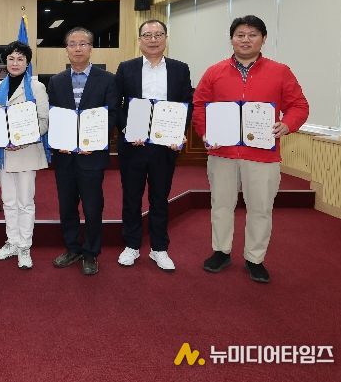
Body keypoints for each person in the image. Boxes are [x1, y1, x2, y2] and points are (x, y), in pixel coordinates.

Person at [193, 15, 308, 283]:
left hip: (263, 155)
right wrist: (205, 132)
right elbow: (199, 105)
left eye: (253, 34)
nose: (246, 40)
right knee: (221, 205)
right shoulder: (214, 72)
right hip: (222, 152)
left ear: (263, 39)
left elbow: (299, 106)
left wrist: (287, 124)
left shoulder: (280, 71)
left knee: (260, 208)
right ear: (232, 39)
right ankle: (221, 251)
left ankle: (255, 258)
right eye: (240, 35)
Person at [115, 20, 193, 271]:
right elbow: (116, 104)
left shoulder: (180, 69)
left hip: (164, 146)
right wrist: (127, 129)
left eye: (158, 34)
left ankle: (159, 248)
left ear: (166, 38)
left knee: (160, 198)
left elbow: (187, 103)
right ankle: (132, 245)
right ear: (139, 40)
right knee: (131, 197)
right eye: (147, 35)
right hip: (134, 145)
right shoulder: (126, 68)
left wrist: (179, 131)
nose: (153, 39)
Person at [47, 27, 117, 276]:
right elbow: (54, 116)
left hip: (92, 156)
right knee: (67, 206)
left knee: (92, 206)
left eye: (83, 43)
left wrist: (94, 142)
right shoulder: (56, 81)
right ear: (66, 49)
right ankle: (72, 248)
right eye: (73, 44)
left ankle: (91, 252)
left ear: (91, 48)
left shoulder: (107, 79)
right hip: (64, 156)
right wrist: (58, 139)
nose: (78, 48)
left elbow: (112, 115)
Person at [0, 41, 49, 270]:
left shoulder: (36, 87)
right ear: (5, 61)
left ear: (27, 62)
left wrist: (21, 140)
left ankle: (24, 247)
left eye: (20, 59)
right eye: (11, 58)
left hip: (26, 152)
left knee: (25, 202)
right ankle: (12, 242)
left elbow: (44, 121)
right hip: (2, 153)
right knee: (9, 201)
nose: (15, 63)